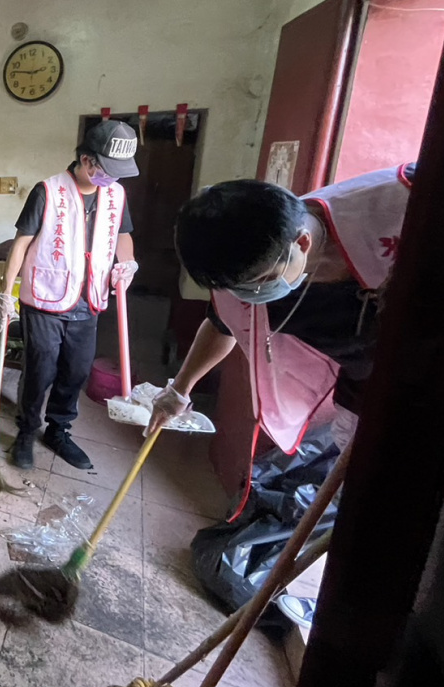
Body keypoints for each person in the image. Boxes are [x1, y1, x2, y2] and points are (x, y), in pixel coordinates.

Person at [150, 164, 414, 513]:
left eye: (260, 283)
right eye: (238, 289)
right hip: (363, 389)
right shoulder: (245, 266)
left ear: (302, 243)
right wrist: (178, 391)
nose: (250, 296)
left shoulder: (402, 204)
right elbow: (223, 323)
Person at [0, 121, 140, 470]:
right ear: (87, 160)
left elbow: (122, 234)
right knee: (40, 369)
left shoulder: (116, 195)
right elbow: (21, 244)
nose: (112, 179)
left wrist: (128, 264)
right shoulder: (47, 191)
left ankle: (58, 431)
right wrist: (5, 293)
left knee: (76, 371)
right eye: (107, 170)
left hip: (88, 299)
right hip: (45, 299)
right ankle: (27, 431)